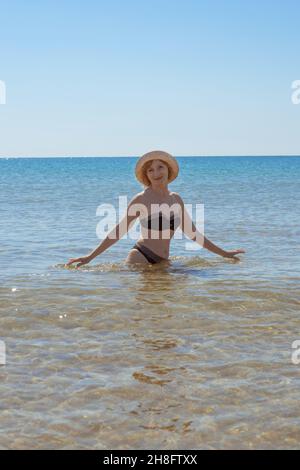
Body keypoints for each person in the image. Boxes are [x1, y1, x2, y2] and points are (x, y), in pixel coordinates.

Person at [66, 150, 245, 268]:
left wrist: (224, 254)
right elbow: (119, 230)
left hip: (164, 262)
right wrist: (90, 257)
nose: (156, 172)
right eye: (151, 170)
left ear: (168, 170)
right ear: (147, 175)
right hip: (141, 257)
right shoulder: (142, 199)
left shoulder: (176, 199)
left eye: (160, 167)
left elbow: (194, 234)